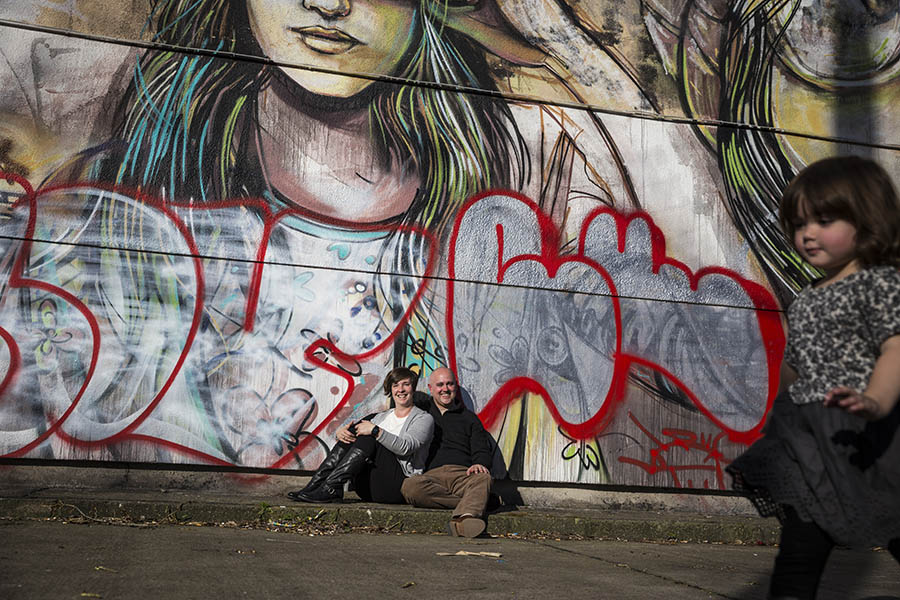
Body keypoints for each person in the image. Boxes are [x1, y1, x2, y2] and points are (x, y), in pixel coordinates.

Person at [726, 156, 900, 600]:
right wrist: (781, 424)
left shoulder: (880, 285)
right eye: (799, 222)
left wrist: (876, 400)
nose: (807, 233)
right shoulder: (805, 301)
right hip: (810, 449)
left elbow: (896, 349)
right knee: (799, 554)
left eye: (824, 221)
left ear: (867, 220)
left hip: (871, 439)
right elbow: (795, 369)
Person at [287, 367, 433, 503]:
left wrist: (376, 431)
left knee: (369, 434)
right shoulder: (379, 417)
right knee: (354, 432)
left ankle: (332, 487)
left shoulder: (423, 419)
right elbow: (355, 433)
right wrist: (341, 433)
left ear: (413, 388)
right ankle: (316, 485)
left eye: (405, 384)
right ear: (391, 389)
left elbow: (405, 448)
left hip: (398, 487)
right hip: (367, 487)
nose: (400, 389)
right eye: (395, 385)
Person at [401, 367, 494, 537]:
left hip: (462, 475)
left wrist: (479, 463)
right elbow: (393, 412)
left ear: (455, 387)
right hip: (431, 478)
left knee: (484, 478)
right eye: (440, 384)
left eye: (450, 384)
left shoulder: (469, 418)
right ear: (430, 388)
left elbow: (482, 449)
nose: (445, 389)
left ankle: (465, 519)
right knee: (410, 486)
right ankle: (477, 501)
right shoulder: (421, 413)